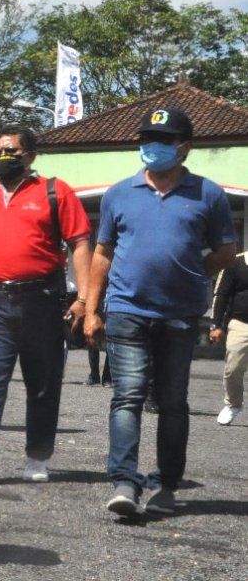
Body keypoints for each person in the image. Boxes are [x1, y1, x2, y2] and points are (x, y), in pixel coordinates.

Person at [84, 108, 237, 516]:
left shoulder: (209, 194)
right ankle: (123, 481)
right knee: (127, 396)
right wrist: (90, 308)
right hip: (127, 309)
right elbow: (102, 253)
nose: (151, 146)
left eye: (162, 139)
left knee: (172, 400)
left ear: (184, 147)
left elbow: (225, 250)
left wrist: (195, 273)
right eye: (147, 138)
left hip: (180, 314)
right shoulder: (119, 193)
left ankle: (166, 484)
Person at [0, 124, 91, 484]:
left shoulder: (55, 192)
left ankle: (37, 456)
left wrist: (86, 299)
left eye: (10, 151)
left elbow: (82, 245)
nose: (3, 158)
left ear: (30, 156)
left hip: (41, 300)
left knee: (42, 382)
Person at [212, 250, 248, 426]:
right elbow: (221, 294)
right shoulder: (236, 262)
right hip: (240, 323)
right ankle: (233, 404)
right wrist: (216, 324)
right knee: (233, 367)